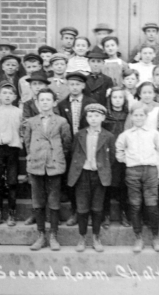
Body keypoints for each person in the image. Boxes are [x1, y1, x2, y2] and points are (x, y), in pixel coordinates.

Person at [116, 102, 159, 253]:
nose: (138, 118)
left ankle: (155, 237)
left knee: (152, 203)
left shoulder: (153, 133)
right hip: (132, 171)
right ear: (131, 117)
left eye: (141, 115)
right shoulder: (125, 135)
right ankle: (138, 237)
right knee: (135, 204)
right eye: (135, 115)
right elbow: (119, 151)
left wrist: (153, 159)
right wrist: (128, 160)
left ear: (146, 117)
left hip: (150, 171)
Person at [23, 88, 72, 251]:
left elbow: (66, 144)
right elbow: (28, 144)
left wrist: (56, 156)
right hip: (36, 165)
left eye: (48, 100)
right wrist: (34, 156)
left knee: (54, 201)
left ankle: (53, 236)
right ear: (37, 103)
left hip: (54, 165)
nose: (44, 102)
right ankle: (41, 235)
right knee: (37, 201)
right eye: (41, 100)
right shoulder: (31, 122)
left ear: (54, 102)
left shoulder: (61, 122)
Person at [67, 104, 115, 252]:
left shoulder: (108, 136)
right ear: (86, 118)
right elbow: (74, 153)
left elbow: (111, 157)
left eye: (96, 116)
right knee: (82, 208)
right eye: (90, 116)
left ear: (102, 117)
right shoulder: (80, 135)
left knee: (97, 208)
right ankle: (82, 237)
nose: (93, 119)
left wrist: (101, 168)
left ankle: (96, 237)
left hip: (99, 176)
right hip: (82, 175)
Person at [58, 72, 98, 226]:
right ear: (68, 86)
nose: (74, 87)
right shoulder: (62, 105)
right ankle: (75, 212)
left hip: (87, 145)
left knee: (87, 181)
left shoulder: (90, 102)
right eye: (71, 84)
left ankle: (87, 213)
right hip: (69, 147)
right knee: (72, 180)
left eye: (77, 84)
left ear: (83, 86)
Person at [0, 81, 22, 227]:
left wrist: (17, 141)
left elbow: (22, 131)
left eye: (10, 93)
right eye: (4, 93)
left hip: (13, 149)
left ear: (14, 97)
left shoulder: (19, 112)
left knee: (12, 181)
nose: (7, 96)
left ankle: (12, 214)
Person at [102, 87, 131, 228]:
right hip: (108, 155)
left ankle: (124, 214)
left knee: (123, 186)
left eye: (120, 97)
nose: (117, 100)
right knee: (107, 186)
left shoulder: (128, 115)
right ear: (110, 99)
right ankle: (106, 215)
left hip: (124, 154)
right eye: (114, 97)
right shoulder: (105, 116)